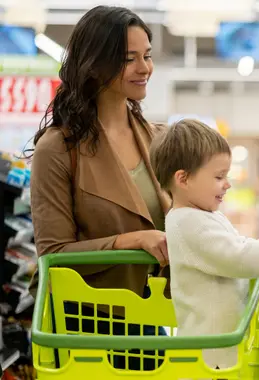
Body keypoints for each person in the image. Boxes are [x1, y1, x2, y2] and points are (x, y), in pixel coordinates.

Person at [26, 5, 169, 370]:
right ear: (94, 64)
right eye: (129, 59)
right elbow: (53, 254)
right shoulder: (58, 149)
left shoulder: (157, 139)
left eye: (147, 56)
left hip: (148, 325)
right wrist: (129, 240)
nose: (145, 68)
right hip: (82, 332)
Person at [149, 119, 259, 370]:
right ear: (183, 179)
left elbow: (239, 246)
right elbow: (239, 256)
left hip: (216, 355)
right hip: (208, 361)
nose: (228, 183)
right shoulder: (188, 222)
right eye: (219, 176)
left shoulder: (202, 215)